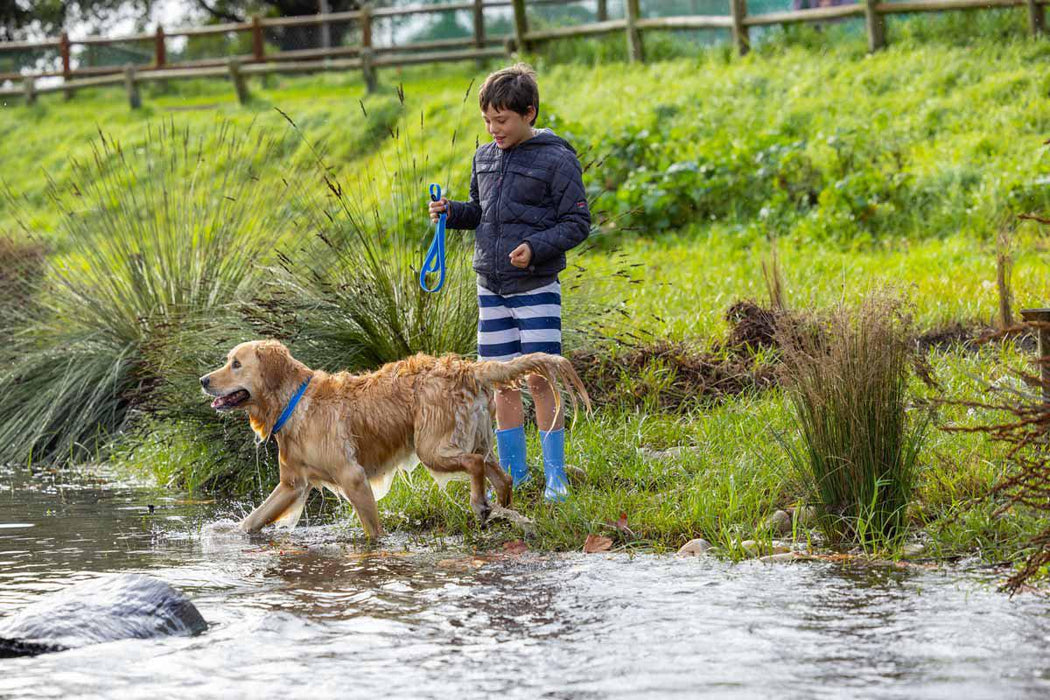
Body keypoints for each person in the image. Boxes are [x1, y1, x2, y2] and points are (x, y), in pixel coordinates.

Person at [428, 63, 590, 502]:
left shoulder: (557, 158)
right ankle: (516, 473)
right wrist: (452, 212)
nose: (493, 128)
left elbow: (578, 222)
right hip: (491, 288)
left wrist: (536, 248)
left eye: (502, 120)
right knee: (500, 383)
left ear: (529, 114)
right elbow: (481, 211)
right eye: (487, 120)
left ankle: (556, 475)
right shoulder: (484, 157)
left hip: (535, 287)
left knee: (540, 380)